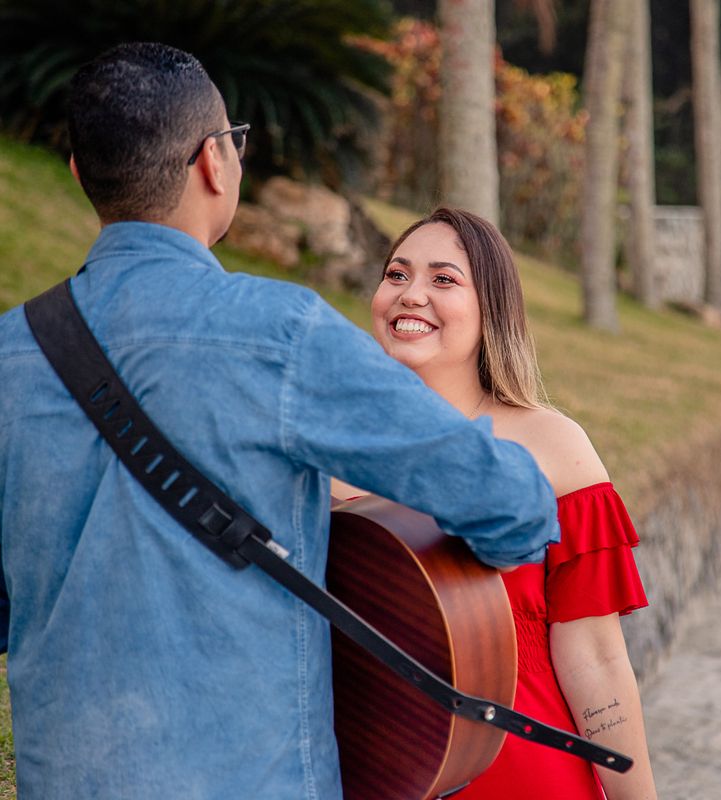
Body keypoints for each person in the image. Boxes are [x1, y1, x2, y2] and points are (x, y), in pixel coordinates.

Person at [0, 45, 561, 799]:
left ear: (76, 175)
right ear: (214, 163)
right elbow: (513, 506)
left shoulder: (10, 354)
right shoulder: (277, 331)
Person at [332, 207, 659, 800]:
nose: (412, 296)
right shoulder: (323, 449)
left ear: (492, 311)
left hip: (524, 773)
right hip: (370, 773)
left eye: (444, 280)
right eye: (397, 275)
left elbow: (596, 656)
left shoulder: (554, 448)